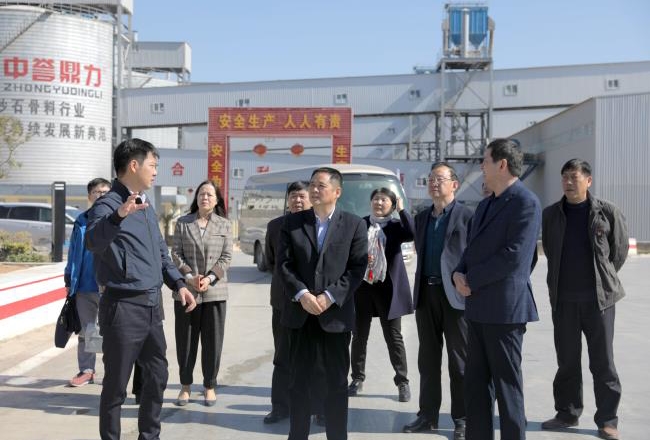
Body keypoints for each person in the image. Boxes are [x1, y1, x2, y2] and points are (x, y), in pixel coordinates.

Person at [85, 138, 196, 440]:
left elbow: (161, 253)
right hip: (123, 307)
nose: (156, 171)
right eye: (153, 165)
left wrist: (178, 284)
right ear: (134, 165)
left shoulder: (145, 204)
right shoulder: (108, 205)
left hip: (151, 307)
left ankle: (150, 436)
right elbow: (92, 241)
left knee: (157, 377)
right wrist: (119, 215)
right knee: (116, 387)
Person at [452, 138, 541, 440]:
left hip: (505, 311)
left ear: (502, 164)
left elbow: (514, 257)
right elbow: (471, 249)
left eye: (485, 160)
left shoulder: (525, 203)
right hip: (476, 308)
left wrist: (472, 279)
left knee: (507, 387)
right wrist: (458, 273)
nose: (481, 166)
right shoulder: (486, 204)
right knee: (475, 386)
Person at [540, 159, 628, 440]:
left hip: (599, 302)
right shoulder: (551, 215)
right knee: (567, 361)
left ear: (588, 180)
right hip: (563, 301)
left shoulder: (607, 212)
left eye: (574, 177)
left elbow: (618, 252)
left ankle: (607, 420)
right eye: (564, 177)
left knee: (603, 363)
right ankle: (567, 413)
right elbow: (551, 251)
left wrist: (602, 280)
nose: (568, 182)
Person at [278, 167, 368, 440]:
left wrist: (329, 296)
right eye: (312, 185)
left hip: (335, 317)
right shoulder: (292, 223)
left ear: (337, 192)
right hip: (300, 315)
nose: (314, 190)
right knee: (298, 382)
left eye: (320, 185)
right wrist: (303, 294)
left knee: (336, 384)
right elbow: (284, 265)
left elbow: (357, 268)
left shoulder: (354, 224)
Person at [403, 162, 472, 439]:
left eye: (439, 178)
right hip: (426, 294)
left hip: (455, 296)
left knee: (460, 362)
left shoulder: (467, 216)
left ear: (454, 184)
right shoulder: (422, 217)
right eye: (431, 178)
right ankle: (427, 415)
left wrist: (467, 280)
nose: (433, 183)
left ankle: (463, 419)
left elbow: (475, 253)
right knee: (428, 360)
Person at [171, 179, 233, 407]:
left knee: (212, 342)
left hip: (215, 292)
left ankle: (209, 386)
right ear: (196, 198)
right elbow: (176, 254)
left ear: (216, 200)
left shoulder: (224, 225)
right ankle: (185, 386)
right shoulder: (183, 223)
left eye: (209, 194)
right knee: (185, 342)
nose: (204, 197)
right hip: (188, 291)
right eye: (201, 194)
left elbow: (226, 256)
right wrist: (190, 277)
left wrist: (209, 278)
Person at [348, 187, 413, 402]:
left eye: (384, 200)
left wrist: (402, 210)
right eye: (376, 199)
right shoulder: (361, 224)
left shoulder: (396, 226)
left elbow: (413, 233)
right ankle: (357, 379)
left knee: (394, 337)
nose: (378, 202)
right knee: (359, 336)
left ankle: (402, 382)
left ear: (392, 205)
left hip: (388, 289)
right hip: (363, 287)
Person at [263, 181, 317, 424]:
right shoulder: (275, 226)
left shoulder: (318, 224)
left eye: (302, 196)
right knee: (283, 356)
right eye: (293, 196)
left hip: (314, 301)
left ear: (311, 198)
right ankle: (280, 406)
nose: (297, 200)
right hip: (283, 301)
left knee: (315, 356)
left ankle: (317, 407)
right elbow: (271, 261)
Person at [64, 177, 111, 387]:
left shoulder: (116, 219)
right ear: (89, 196)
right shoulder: (81, 221)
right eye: (96, 192)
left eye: (105, 192)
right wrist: (69, 277)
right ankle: (87, 370)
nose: (101, 195)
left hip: (110, 286)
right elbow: (73, 251)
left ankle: (113, 371)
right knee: (87, 330)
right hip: (84, 285)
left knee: (111, 330)